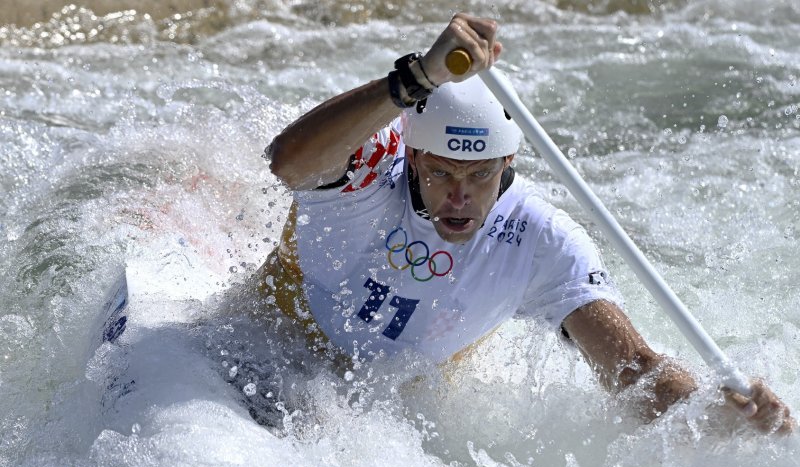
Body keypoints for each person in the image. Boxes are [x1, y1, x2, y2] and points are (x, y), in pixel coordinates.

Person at [256, 13, 793, 434]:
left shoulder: (540, 238)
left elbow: (633, 369)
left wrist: (716, 417)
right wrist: (418, 78)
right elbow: (288, 160)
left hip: (390, 405)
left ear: (508, 164)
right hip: (267, 348)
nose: (460, 198)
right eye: (441, 173)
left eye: (482, 175)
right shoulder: (375, 163)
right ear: (414, 157)